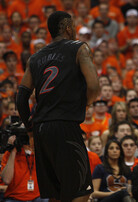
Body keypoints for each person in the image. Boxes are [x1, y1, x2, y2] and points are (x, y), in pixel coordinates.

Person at [15, 11, 99, 202]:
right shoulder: (79, 48)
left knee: (56, 193)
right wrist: (85, 103)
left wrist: (29, 129)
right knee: (82, 192)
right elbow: (93, 86)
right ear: (68, 27)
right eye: (74, 26)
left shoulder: (35, 58)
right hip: (65, 126)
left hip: (41, 129)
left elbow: (21, 97)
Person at [1, 128, 48, 202]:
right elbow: (6, 180)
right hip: (14, 198)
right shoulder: (10, 154)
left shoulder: (40, 153)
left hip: (38, 197)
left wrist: (36, 147)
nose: (26, 140)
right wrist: (13, 150)